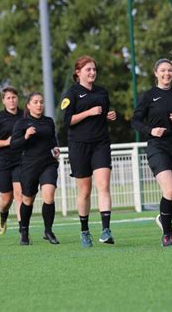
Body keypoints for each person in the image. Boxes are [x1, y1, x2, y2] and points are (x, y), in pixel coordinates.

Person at [131, 51, 172, 247]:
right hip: (158, 147)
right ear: (156, 73)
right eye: (163, 71)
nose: (167, 74)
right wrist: (151, 130)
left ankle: (163, 218)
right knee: (170, 190)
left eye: (170, 71)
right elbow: (135, 121)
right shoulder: (149, 96)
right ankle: (167, 233)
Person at [61, 55, 117, 248]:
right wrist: (88, 112)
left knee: (104, 185)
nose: (92, 73)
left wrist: (109, 116)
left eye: (94, 69)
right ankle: (84, 231)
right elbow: (67, 121)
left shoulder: (102, 92)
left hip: (100, 143)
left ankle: (106, 230)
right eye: (88, 70)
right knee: (85, 191)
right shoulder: (72, 93)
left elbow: (102, 115)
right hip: (79, 146)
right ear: (78, 73)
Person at [10, 92, 60, 245]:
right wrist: (25, 136)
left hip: (48, 163)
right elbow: (14, 144)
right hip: (29, 165)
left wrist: (56, 148)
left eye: (41, 102)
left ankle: (48, 231)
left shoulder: (49, 121)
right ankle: (24, 231)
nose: (39, 105)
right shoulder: (21, 123)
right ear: (29, 105)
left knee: (49, 195)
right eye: (36, 102)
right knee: (27, 200)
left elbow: (53, 140)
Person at [0, 86, 23, 235]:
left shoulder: (25, 115)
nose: (12, 100)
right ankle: (3, 215)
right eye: (8, 98)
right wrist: (7, 142)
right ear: (3, 101)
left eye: (14, 97)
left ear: (17, 98)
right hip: (2, 162)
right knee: (7, 198)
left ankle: (23, 229)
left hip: (21, 160)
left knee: (20, 194)